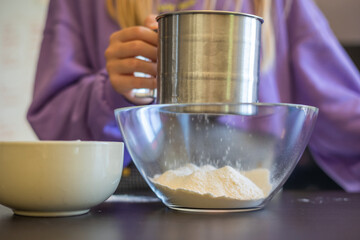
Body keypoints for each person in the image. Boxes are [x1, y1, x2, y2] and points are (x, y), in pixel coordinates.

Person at [27, 0, 360, 192]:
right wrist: (117, 91)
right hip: (127, 200)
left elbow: (346, 114)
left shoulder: (278, 5)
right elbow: (54, 129)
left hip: (253, 197)